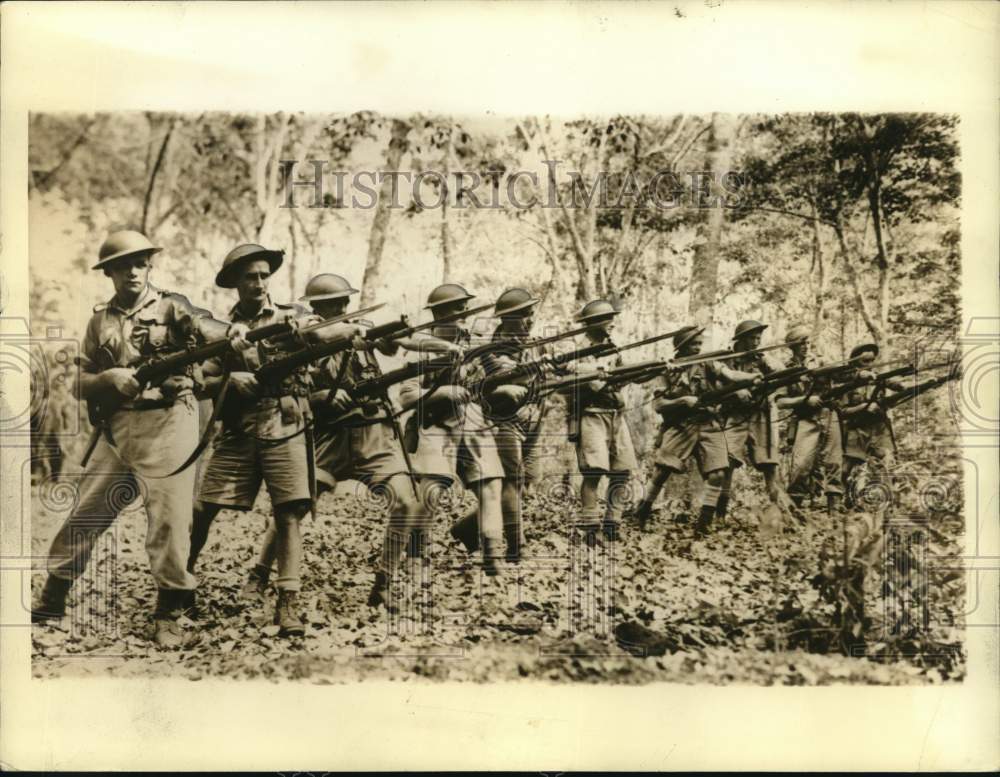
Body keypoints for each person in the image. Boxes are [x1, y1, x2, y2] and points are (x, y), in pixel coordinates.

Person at [31, 230, 251, 647]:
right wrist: (109, 378)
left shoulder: (173, 306)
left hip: (168, 421)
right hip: (116, 428)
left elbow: (207, 327)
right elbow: (77, 382)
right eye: (123, 265)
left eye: (140, 262)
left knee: (169, 518)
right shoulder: (99, 322)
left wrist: (235, 331)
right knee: (87, 512)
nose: (133, 271)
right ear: (109, 272)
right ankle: (53, 595)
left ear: (150, 266)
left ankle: (171, 609)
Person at [237, 273, 453, 612]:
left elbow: (404, 339)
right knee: (294, 507)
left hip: (373, 435)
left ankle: (385, 581)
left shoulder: (362, 329)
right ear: (316, 307)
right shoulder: (302, 334)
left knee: (406, 503)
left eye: (342, 303)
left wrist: (447, 346)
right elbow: (285, 384)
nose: (340, 309)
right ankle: (259, 574)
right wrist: (321, 396)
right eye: (330, 305)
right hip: (327, 438)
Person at [186, 245, 363, 637]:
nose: (260, 283)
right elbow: (202, 380)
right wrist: (231, 381)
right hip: (240, 431)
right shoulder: (219, 330)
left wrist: (351, 330)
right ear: (235, 283)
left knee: (288, 513)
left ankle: (288, 600)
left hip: (286, 424)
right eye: (250, 276)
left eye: (265, 275)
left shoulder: (293, 317)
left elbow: (328, 332)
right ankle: (181, 584)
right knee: (203, 509)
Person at [396, 284, 507, 580]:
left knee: (491, 485)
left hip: (472, 420)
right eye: (457, 309)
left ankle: (493, 558)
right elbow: (407, 396)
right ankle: (415, 558)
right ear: (440, 314)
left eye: (464, 309)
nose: (463, 315)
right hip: (434, 424)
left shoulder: (474, 344)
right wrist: (444, 391)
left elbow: (494, 377)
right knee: (431, 491)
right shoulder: (422, 347)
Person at [632, 326, 759, 537]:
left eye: (700, 344)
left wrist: (751, 377)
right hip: (682, 425)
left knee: (718, 473)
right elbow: (659, 404)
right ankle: (643, 510)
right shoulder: (668, 369)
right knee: (663, 470)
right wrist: (683, 400)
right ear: (681, 347)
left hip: (708, 422)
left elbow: (730, 373)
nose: (698, 348)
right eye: (693, 344)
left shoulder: (707, 362)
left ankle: (704, 524)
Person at [450, 288, 542, 564]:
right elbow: (507, 377)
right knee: (512, 482)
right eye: (524, 315)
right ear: (507, 318)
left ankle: (465, 529)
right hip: (503, 420)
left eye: (531, 313)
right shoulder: (490, 348)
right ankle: (517, 547)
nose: (530, 320)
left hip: (533, 418)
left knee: (526, 483)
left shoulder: (533, 343)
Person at [563, 299, 637, 542]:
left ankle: (613, 523)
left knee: (622, 472)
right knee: (594, 472)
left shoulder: (613, 348)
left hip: (616, 414)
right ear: (593, 323)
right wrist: (594, 370)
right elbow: (567, 368)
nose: (612, 324)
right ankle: (590, 527)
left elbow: (625, 375)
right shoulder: (577, 348)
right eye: (607, 319)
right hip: (590, 414)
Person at [717, 319, 792, 522]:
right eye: (752, 338)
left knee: (769, 464)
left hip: (761, 415)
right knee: (727, 462)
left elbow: (782, 376)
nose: (756, 342)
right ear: (741, 340)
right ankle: (719, 514)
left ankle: (777, 513)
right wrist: (736, 391)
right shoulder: (727, 358)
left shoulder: (762, 358)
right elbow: (716, 386)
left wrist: (766, 362)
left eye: (758, 338)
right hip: (735, 415)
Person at [775, 325, 844, 512]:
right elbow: (780, 401)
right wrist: (805, 400)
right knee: (801, 465)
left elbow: (843, 374)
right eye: (801, 343)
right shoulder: (786, 370)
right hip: (805, 418)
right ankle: (794, 509)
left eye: (807, 341)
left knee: (834, 462)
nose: (806, 345)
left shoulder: (822, 361)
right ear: (792, 347)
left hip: (829, 414)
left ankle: (834, 510)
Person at [839, 342, 907, 506]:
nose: (869, 365)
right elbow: (842, 411)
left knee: (886, 464)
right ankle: (847, 499)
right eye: (865, 361)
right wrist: (863, 407)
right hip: (857, 428)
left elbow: (898, 384)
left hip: (879, 428)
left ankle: (884, 504)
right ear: (856, 362)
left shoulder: (880, 378)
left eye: (872, 361)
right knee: (847, 469)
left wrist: (913, 385)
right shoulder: (848, 382)